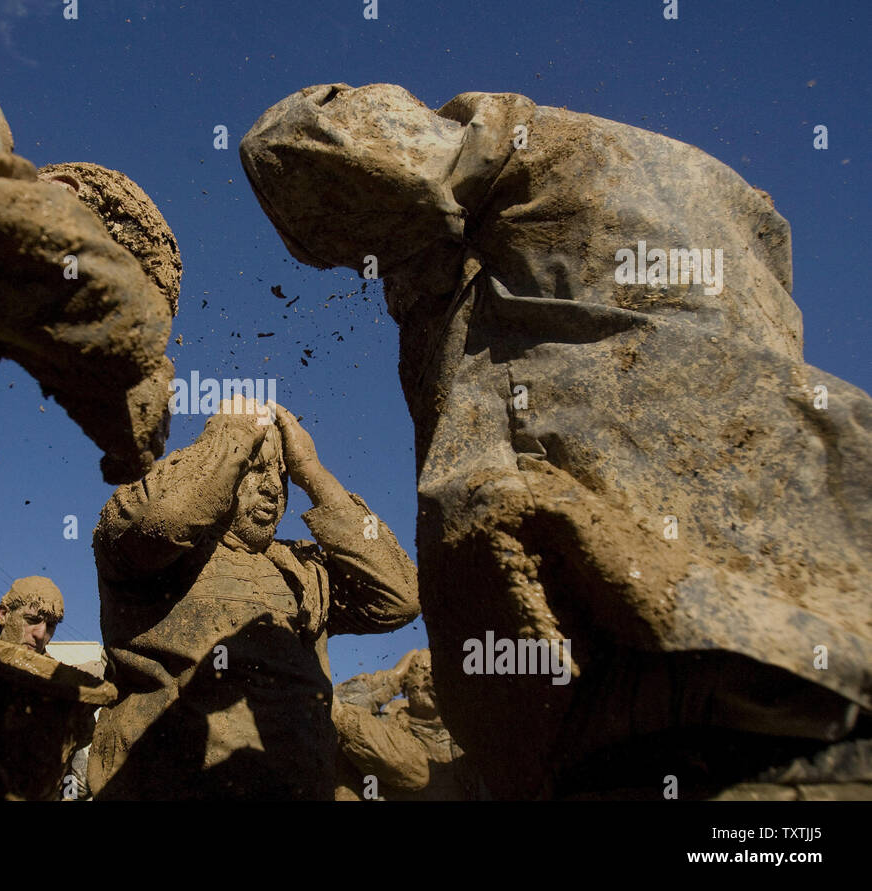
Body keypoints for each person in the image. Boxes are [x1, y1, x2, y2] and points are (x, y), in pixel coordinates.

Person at [240, 83, 872, 798]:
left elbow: (302, 141)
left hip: (693, 735)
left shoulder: (511, 178)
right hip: (825, 671)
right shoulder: (711, 212)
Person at [88, 396, 420, 799]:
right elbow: (164, 521)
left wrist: (314, 474)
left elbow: (400, 597)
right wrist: (233, 436)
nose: (271, 488)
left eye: (282, 477)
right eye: (254, 469)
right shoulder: (152, 548)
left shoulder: (302, 568)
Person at [332, 649, 473, 801]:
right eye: (420, 670)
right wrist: (392, 678)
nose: (429, 677)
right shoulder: (382, 726)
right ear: (406, 684)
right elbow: (331, 704)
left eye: (436, 672)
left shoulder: (469, 737)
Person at [0, 576, 65, 656]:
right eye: (32, 620)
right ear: (4, 614)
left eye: (50, 625)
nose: (40, 635)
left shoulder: (56, 668)